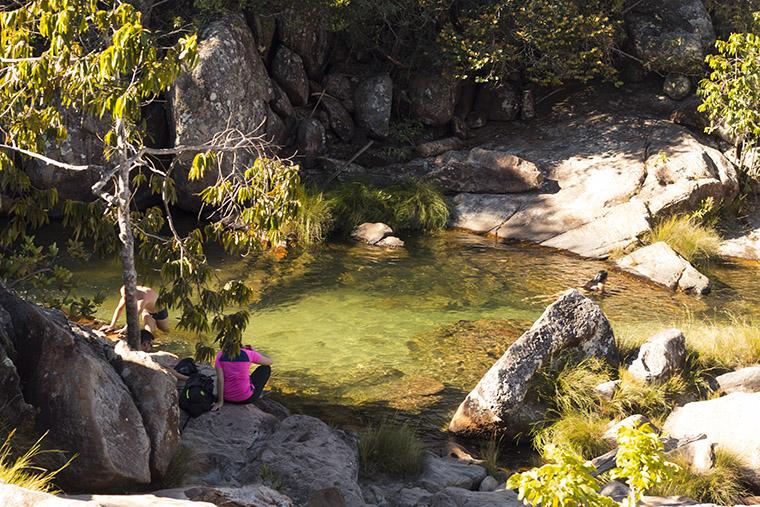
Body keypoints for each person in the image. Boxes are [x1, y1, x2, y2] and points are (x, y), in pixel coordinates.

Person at [211, 344, 272, 411]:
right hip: (246, 399)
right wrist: (254, 352)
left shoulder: (220, 355)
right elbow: (269, 362)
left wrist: (220, 402)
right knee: (266, 368)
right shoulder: (248, 353)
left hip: (226, 398)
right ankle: (258, 393)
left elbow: (220, 379)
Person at [100, 285, 170, 334]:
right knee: (148, 331)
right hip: (146, 311)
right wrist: (112, 325)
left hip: (160, 312)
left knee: (165, 331)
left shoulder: (143, 297)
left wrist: (126, 328)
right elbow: (119, 309)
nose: (126, 299)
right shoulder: (126, 292)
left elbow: (135, 316)